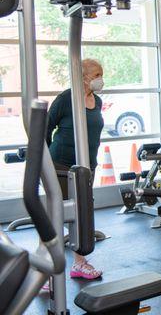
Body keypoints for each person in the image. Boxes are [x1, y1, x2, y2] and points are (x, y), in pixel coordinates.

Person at [46, 58, 104, 281]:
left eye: (101, 75)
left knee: (83, 213)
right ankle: (45, 269)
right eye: (97, 75)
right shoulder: (65, 99)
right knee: (57, 215)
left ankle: (79, 264)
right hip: (61, 164)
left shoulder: (96, 101)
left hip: (87, 166)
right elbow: (47, 127)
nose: (100, 79)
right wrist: (43, 161)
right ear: (83, 77)